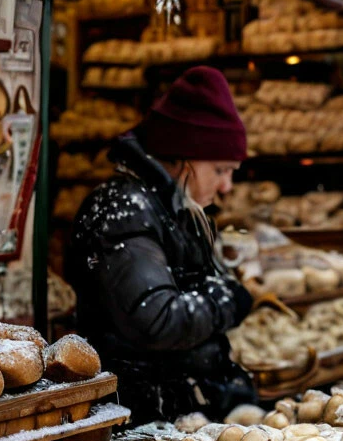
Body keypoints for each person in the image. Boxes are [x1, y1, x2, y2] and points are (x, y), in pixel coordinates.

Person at [68, 67, 256, 423]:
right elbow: (154, 319)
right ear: (185, 155)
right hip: (134, 414)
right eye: (220, 170)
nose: (227, 186)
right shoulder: (126, 211)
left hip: (171, 407)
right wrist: (227, 301)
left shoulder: (173, 208)